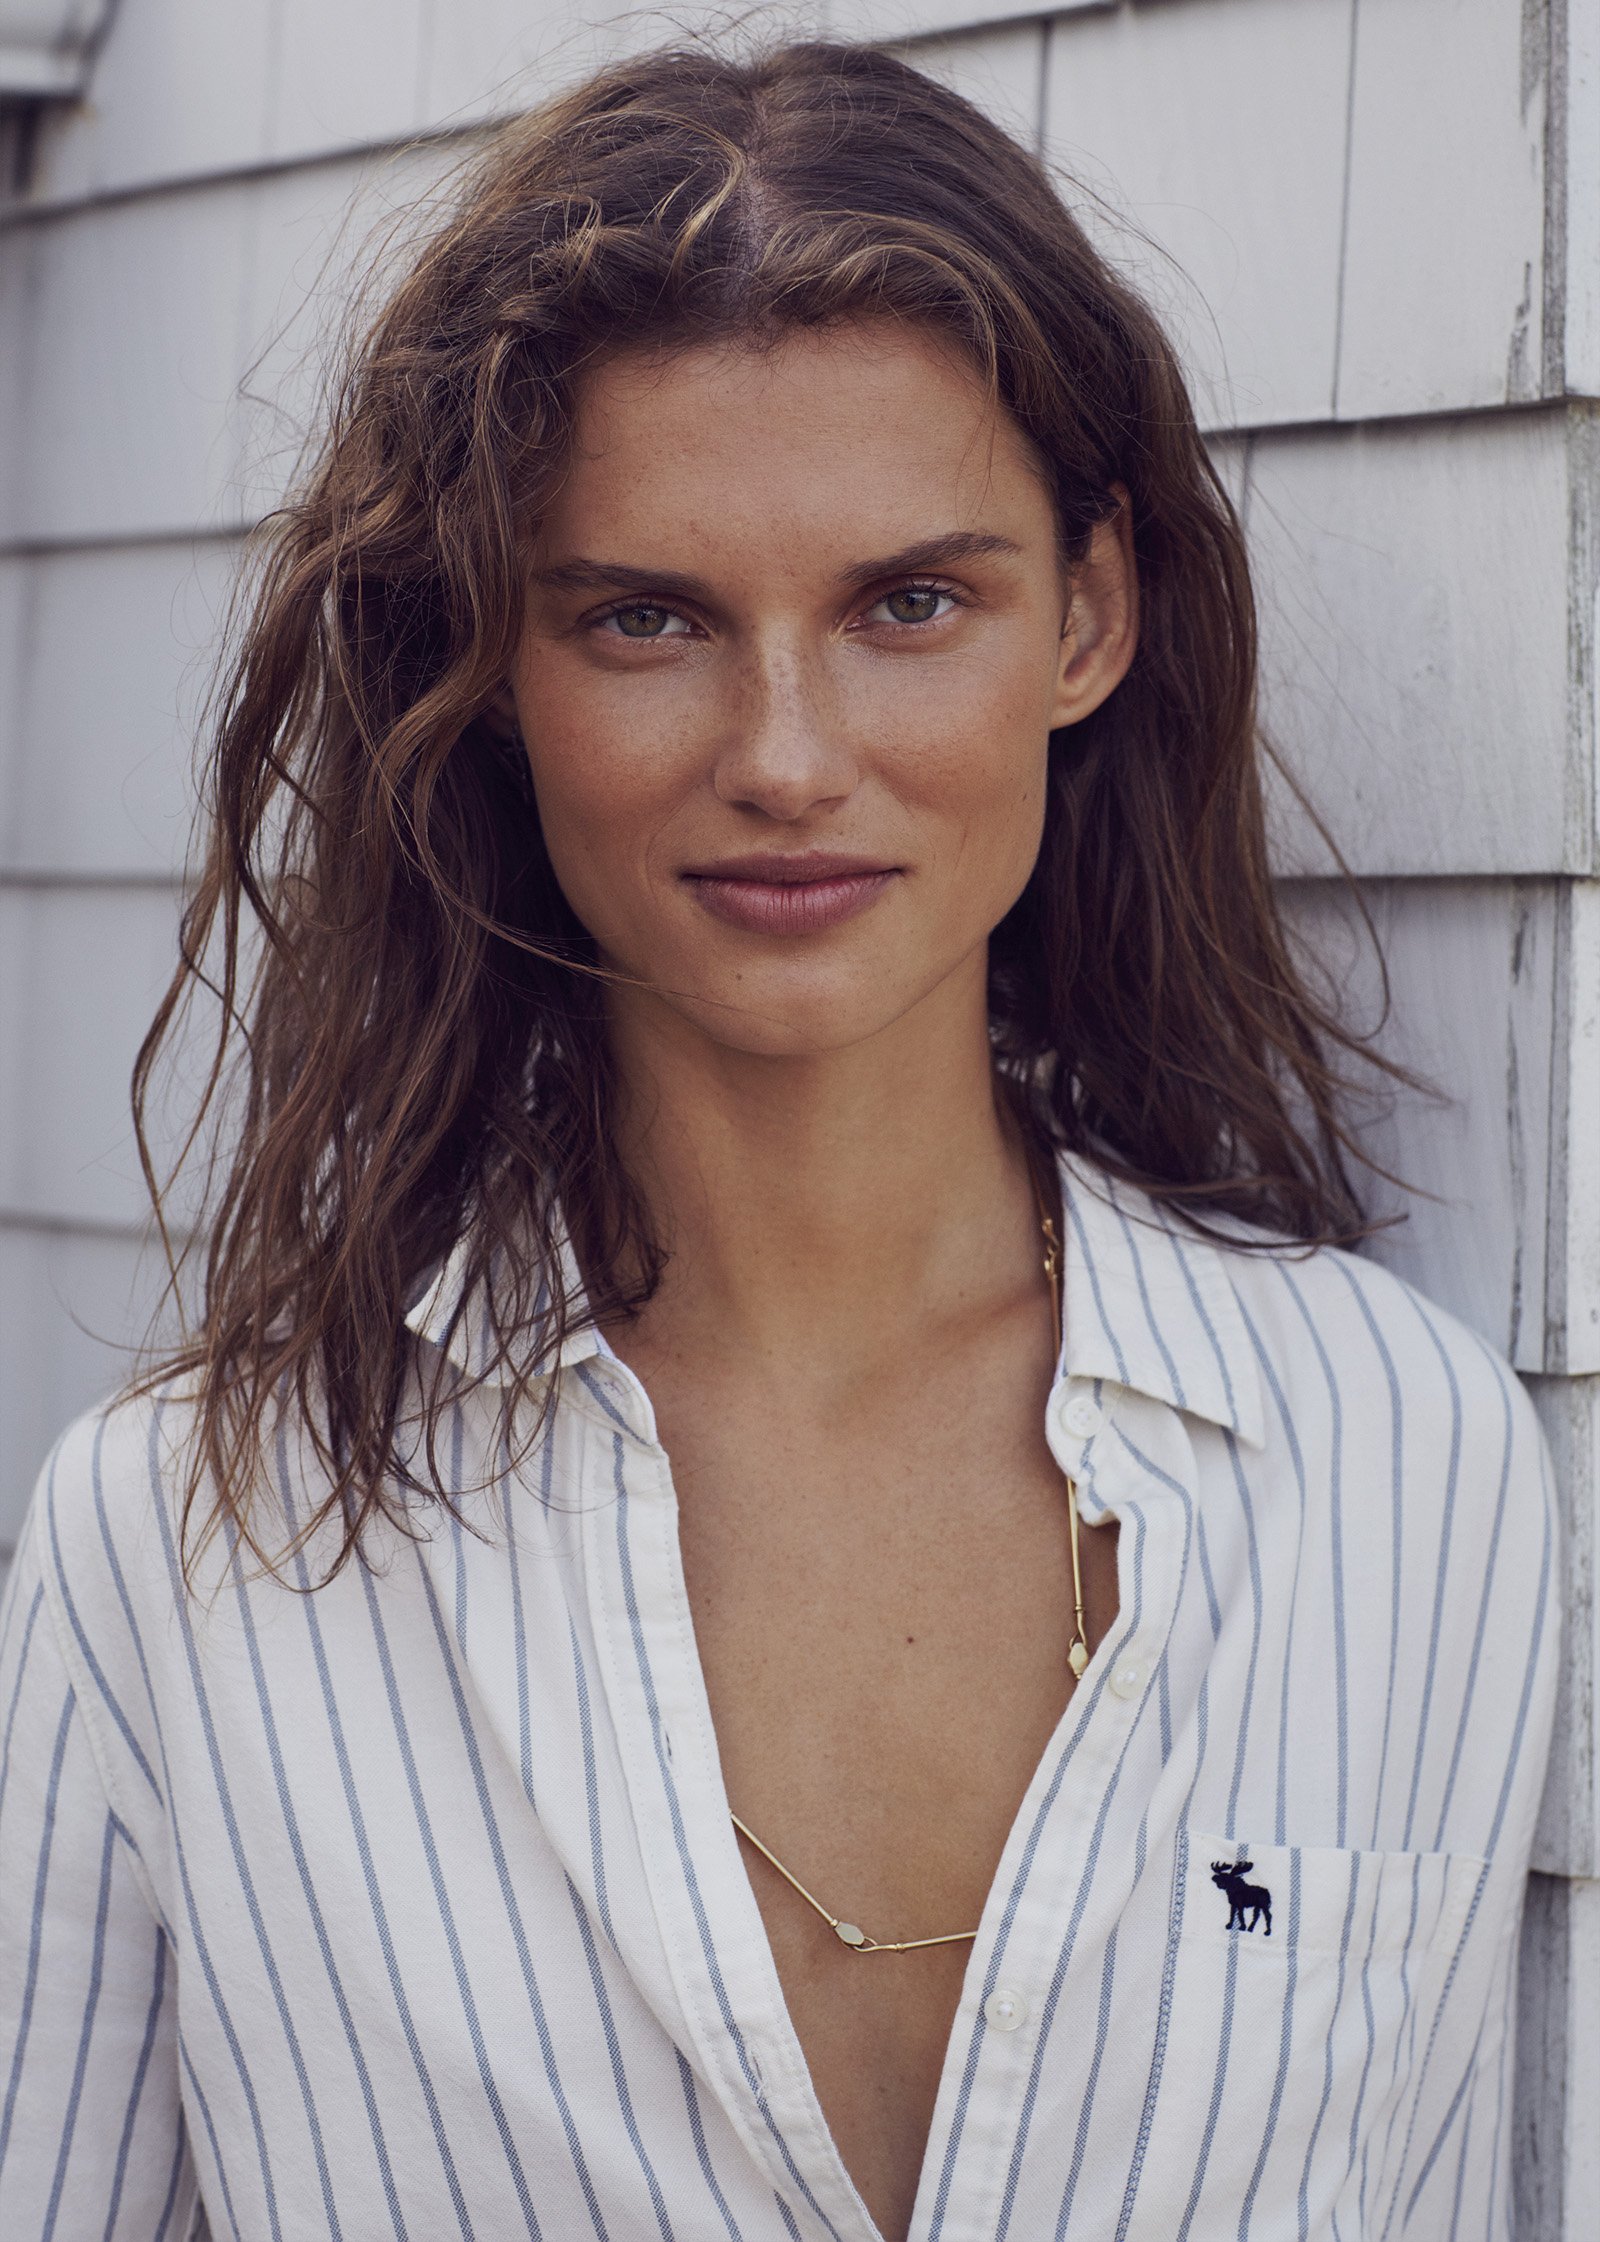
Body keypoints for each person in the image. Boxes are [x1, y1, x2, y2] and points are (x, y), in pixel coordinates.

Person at [0, 36, 1557, 2242]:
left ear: (1084, 616)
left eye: (907, 601)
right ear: (492, 658)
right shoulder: (185, 1548)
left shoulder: (1398, 1464)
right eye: (645, 617)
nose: (785, 754)